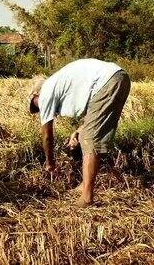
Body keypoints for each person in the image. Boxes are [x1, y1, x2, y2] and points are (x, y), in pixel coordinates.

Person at [28, 58, 131, 207]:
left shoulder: (46, 92)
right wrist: (77, 131)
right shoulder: (60, 84)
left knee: (89, 139)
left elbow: (47, 136)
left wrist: (50, 163)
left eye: (35, 106)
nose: (39, 110)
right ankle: (85, 185)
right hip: (119, 77)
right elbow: (91, 114)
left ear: (36, 94)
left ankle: (86, 198)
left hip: (108, 81)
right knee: (86, 135)